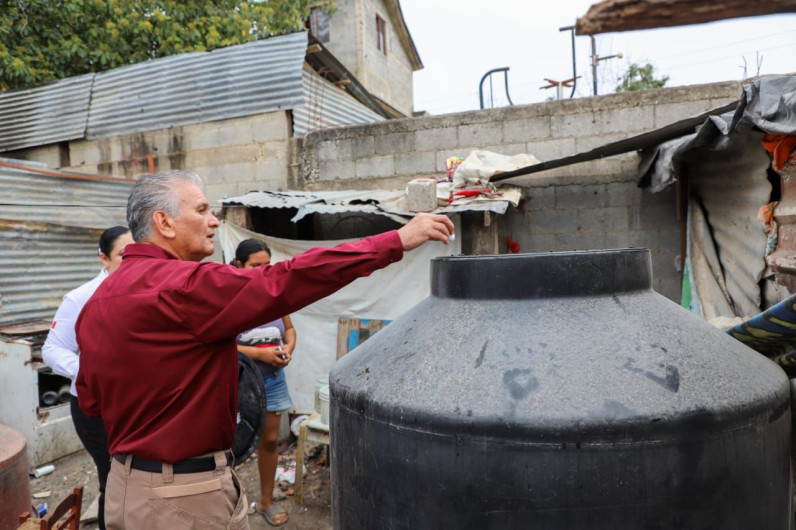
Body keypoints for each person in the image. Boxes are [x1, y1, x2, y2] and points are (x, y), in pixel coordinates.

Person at [75, 170, 454, 530]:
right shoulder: (185, 286)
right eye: (202, 210)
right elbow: (286, 280)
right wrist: (393, 241)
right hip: (183, 496)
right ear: (165, 222)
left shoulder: (96, 303)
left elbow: (90, 402)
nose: (214, 222)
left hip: (124, 490)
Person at [42, 226, 134, 530]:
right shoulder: (81, 298)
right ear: (103, 259)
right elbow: (53, 349)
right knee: (116, 480)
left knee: (140, 479)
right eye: (123, 254)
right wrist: (90, 371)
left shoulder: (143, 291)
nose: (132, 260)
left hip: (137, 404)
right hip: (97, 410)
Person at [233, 239, 295, 526]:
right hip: (238, 382)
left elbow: (290, 329)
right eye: (255, 266)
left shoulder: (276, 295)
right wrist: (260, 353)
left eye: (267, 266)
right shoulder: (229, 297)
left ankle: (266, 502)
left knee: (269, 441)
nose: (262, 271)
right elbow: (218, 344)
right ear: (239, 266)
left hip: (272, 379)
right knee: (229, 444)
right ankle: (228, 504)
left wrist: (288, 349)